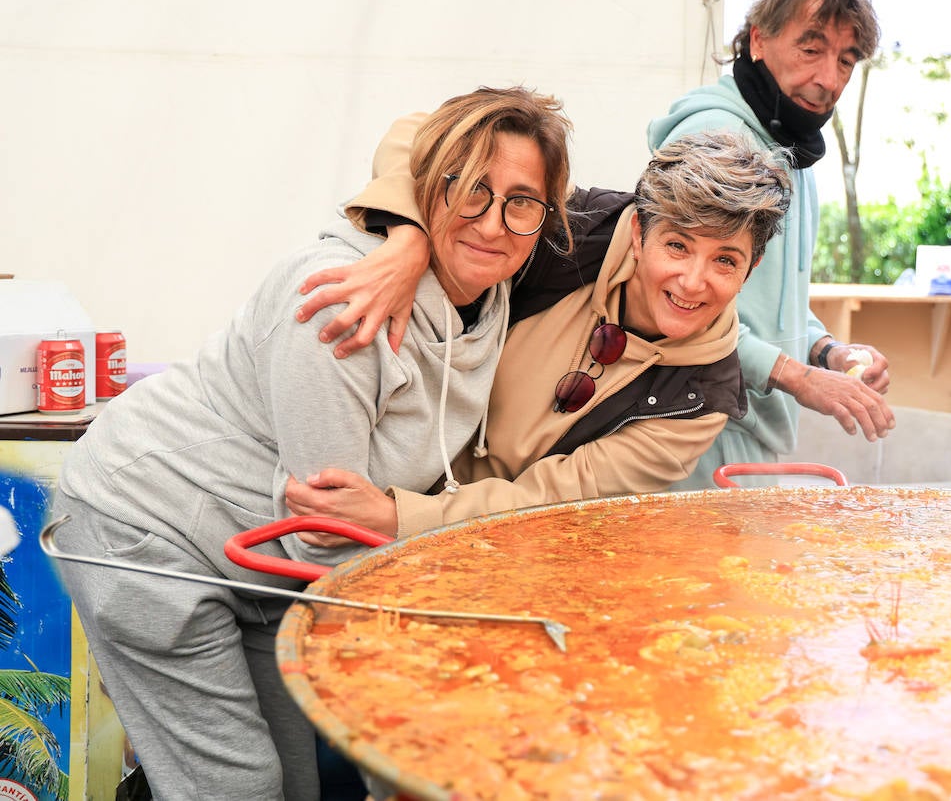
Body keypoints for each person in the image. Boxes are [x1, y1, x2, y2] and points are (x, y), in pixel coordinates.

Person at [46, 86, 575, 801]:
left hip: (260, 559)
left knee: (297, 786)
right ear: (429, 188)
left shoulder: (492, 283)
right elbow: (323, 534)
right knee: (237, 785)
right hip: (148, 527)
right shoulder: (339, 301)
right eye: (470, 190)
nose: (494, 223)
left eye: (521, 201)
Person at [285, 128, 791, 533]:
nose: (693, 282)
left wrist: (403, 516)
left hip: (482, 542)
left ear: (752, 266)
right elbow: (414, 137)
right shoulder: (575, 226)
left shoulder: (701, 398)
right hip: (378, 460)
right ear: (638, 234)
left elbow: (552, 499)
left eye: (725, 260)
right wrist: (409, 236)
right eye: (677, 246)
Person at [645, 0, 896, 491]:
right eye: (811, 49)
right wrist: (797, 377)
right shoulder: (716, 136)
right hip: (693, 428)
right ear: (759, 40)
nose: (828, 79)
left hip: (748, 437)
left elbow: (765, 302)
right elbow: (679, 301)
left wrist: (828, 351)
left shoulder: (789, 149)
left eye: (846, 61)